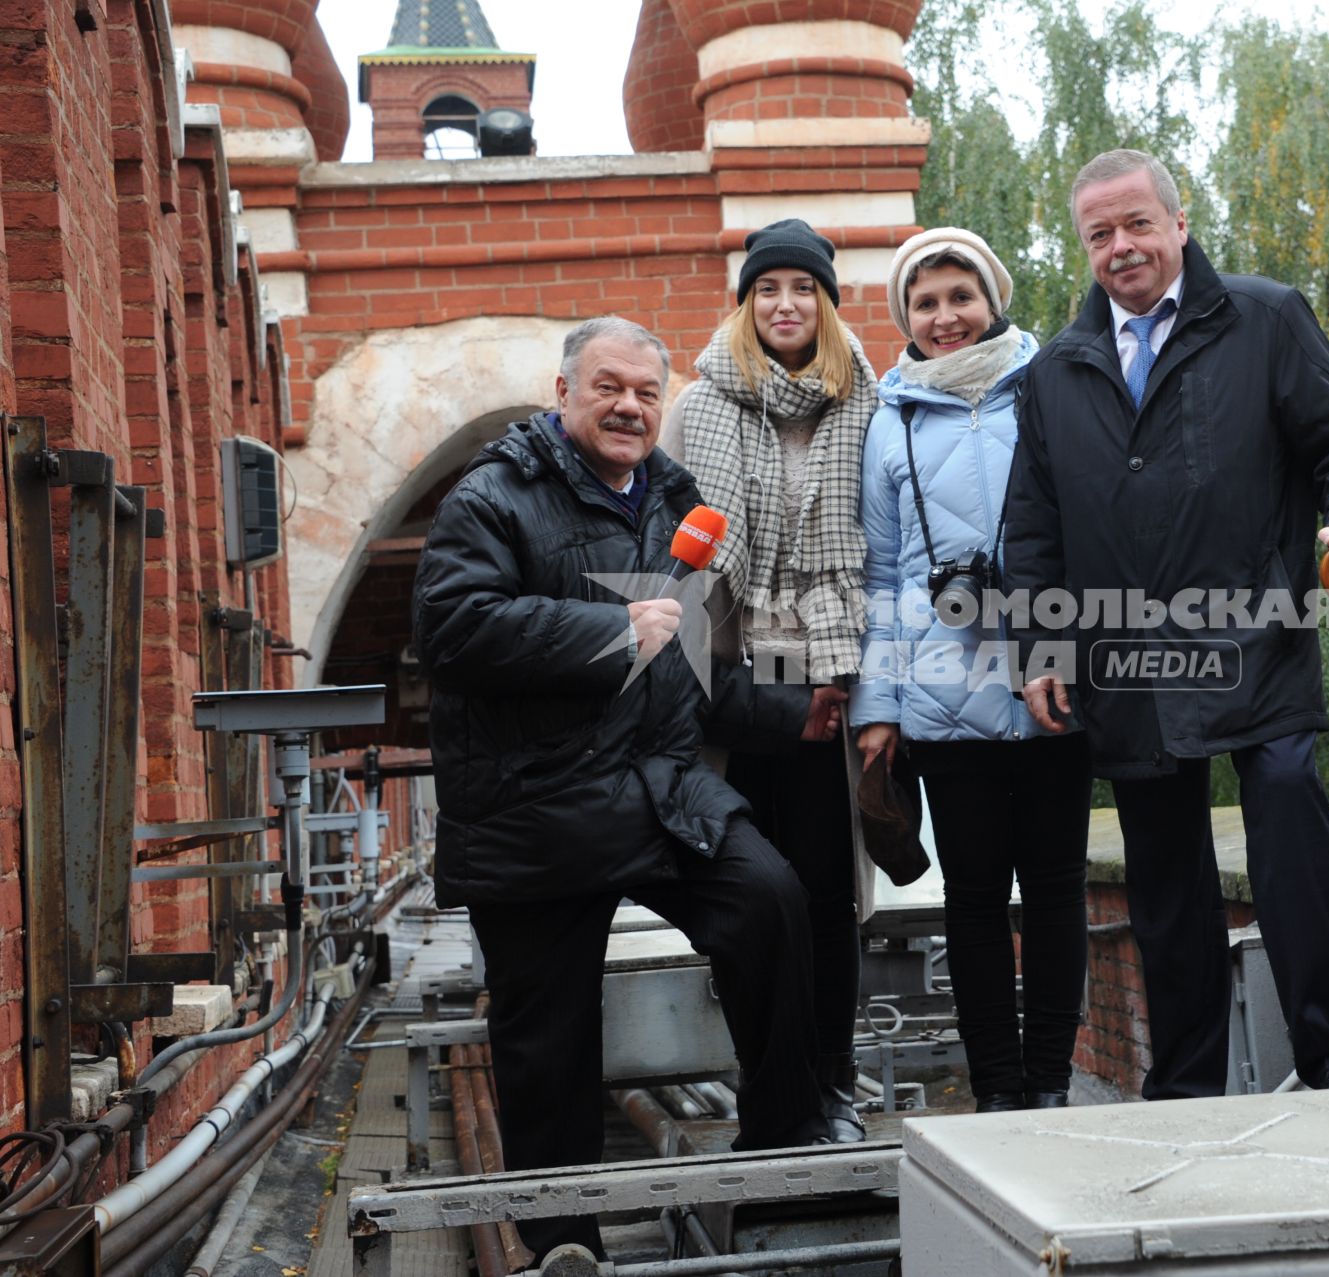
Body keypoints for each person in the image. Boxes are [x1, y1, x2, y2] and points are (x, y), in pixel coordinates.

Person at [413, 316, 846, 1262]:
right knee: (548, 1046)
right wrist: (606, 627)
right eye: (609, 387)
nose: (630, 407)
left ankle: (778, 1151)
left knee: (771, 904)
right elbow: (450, 629)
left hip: (659, 792)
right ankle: (567, 1243)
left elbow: (678, 663)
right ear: (562, 390)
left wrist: (791, 714)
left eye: (648, 393)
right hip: (535, 808)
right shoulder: (494, 497)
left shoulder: (670, 499)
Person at [1001, 149, 1329, 1104]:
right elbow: (1032, 525)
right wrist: (1041, 648)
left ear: (1180, 224)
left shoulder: (1265, 319)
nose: (1121, 247)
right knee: (1164, 882)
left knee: (1288, 820)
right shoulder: (1056, 369)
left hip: (1255, 633)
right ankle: (1185, 1086)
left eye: (1138, 223)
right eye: (1099, 233)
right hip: (1125, 656)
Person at [850, 228, 1094, 1112]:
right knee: (977, 900)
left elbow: (1083, 535)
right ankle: (998, 1092)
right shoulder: (889, 421)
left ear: (993, 298)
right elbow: (880, 574)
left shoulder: (1053, 388)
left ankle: (1051, 1084)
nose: (945, 316)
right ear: (906, 317)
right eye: (926, 302)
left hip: (1050, 680)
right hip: (941, 698)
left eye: (961, 296)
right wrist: (877, 703)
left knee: (1059, 891)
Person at [658, 219, 878, 1144]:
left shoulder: (868, 401)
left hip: (833, 668)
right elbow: (674, 555)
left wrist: (846, 677)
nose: (784, 304)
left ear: (825, 301)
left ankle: (830, 1080)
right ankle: (768, 1085)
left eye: (802, 287)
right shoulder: (697, 407)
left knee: (828, 890)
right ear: (747, 302)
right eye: (767, 288)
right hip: (734, 677)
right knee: (752, 890)